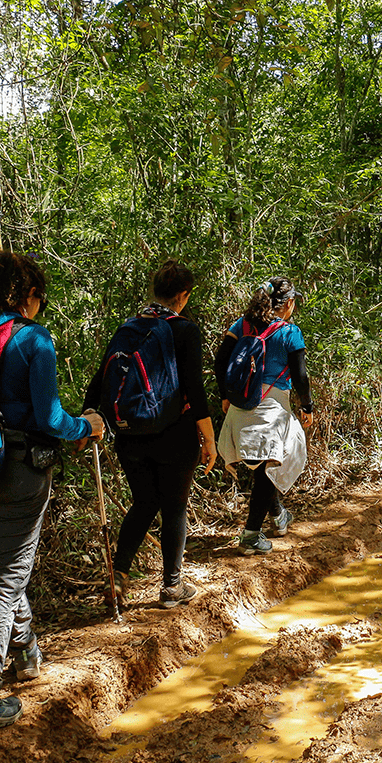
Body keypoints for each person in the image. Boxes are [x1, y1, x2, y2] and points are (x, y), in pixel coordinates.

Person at [0, 251, 105, 732]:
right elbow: (50, 418)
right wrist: (87, 425)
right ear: (27, 295)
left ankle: (27, 650)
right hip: (19, 469)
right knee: (4, 580)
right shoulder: (32, 338)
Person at [84, 260, 216, 610]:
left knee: (144, 502)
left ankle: (118, 578)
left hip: (131, 434)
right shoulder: (184, 329)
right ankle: (172, 586)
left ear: (155, 291)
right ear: (183, 295)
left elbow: (101, 380)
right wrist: (210, 439)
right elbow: (194, 388)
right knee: (174, 506)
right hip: (176, 434)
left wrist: (90, 415)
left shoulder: (129, 327)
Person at [216, 278, 313, 555]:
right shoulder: (290, 332)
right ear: (289, 303)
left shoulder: (242, 325)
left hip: (240, 405)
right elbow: (300, 376)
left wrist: (225, 394)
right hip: (271, 408)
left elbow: (220, 361)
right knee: (271, 466)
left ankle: (279, 515)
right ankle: (250, 535)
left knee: (262, 468)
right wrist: (306, 407)